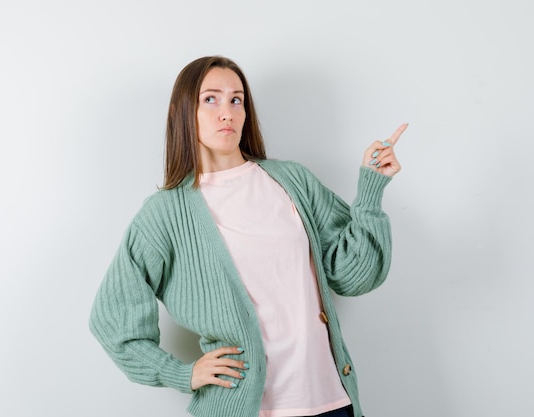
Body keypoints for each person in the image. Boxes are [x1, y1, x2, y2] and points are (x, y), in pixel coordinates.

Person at [89, 56, 407, 417]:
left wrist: (370, 190)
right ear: (184, 112)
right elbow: (111, 318)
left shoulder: (292, 181)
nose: (227, 112)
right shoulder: (164, 214)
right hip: (245, 408)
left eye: (236, 99)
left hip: (331, 401)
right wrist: (182, 373)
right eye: (210, 99)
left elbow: (353, 277)